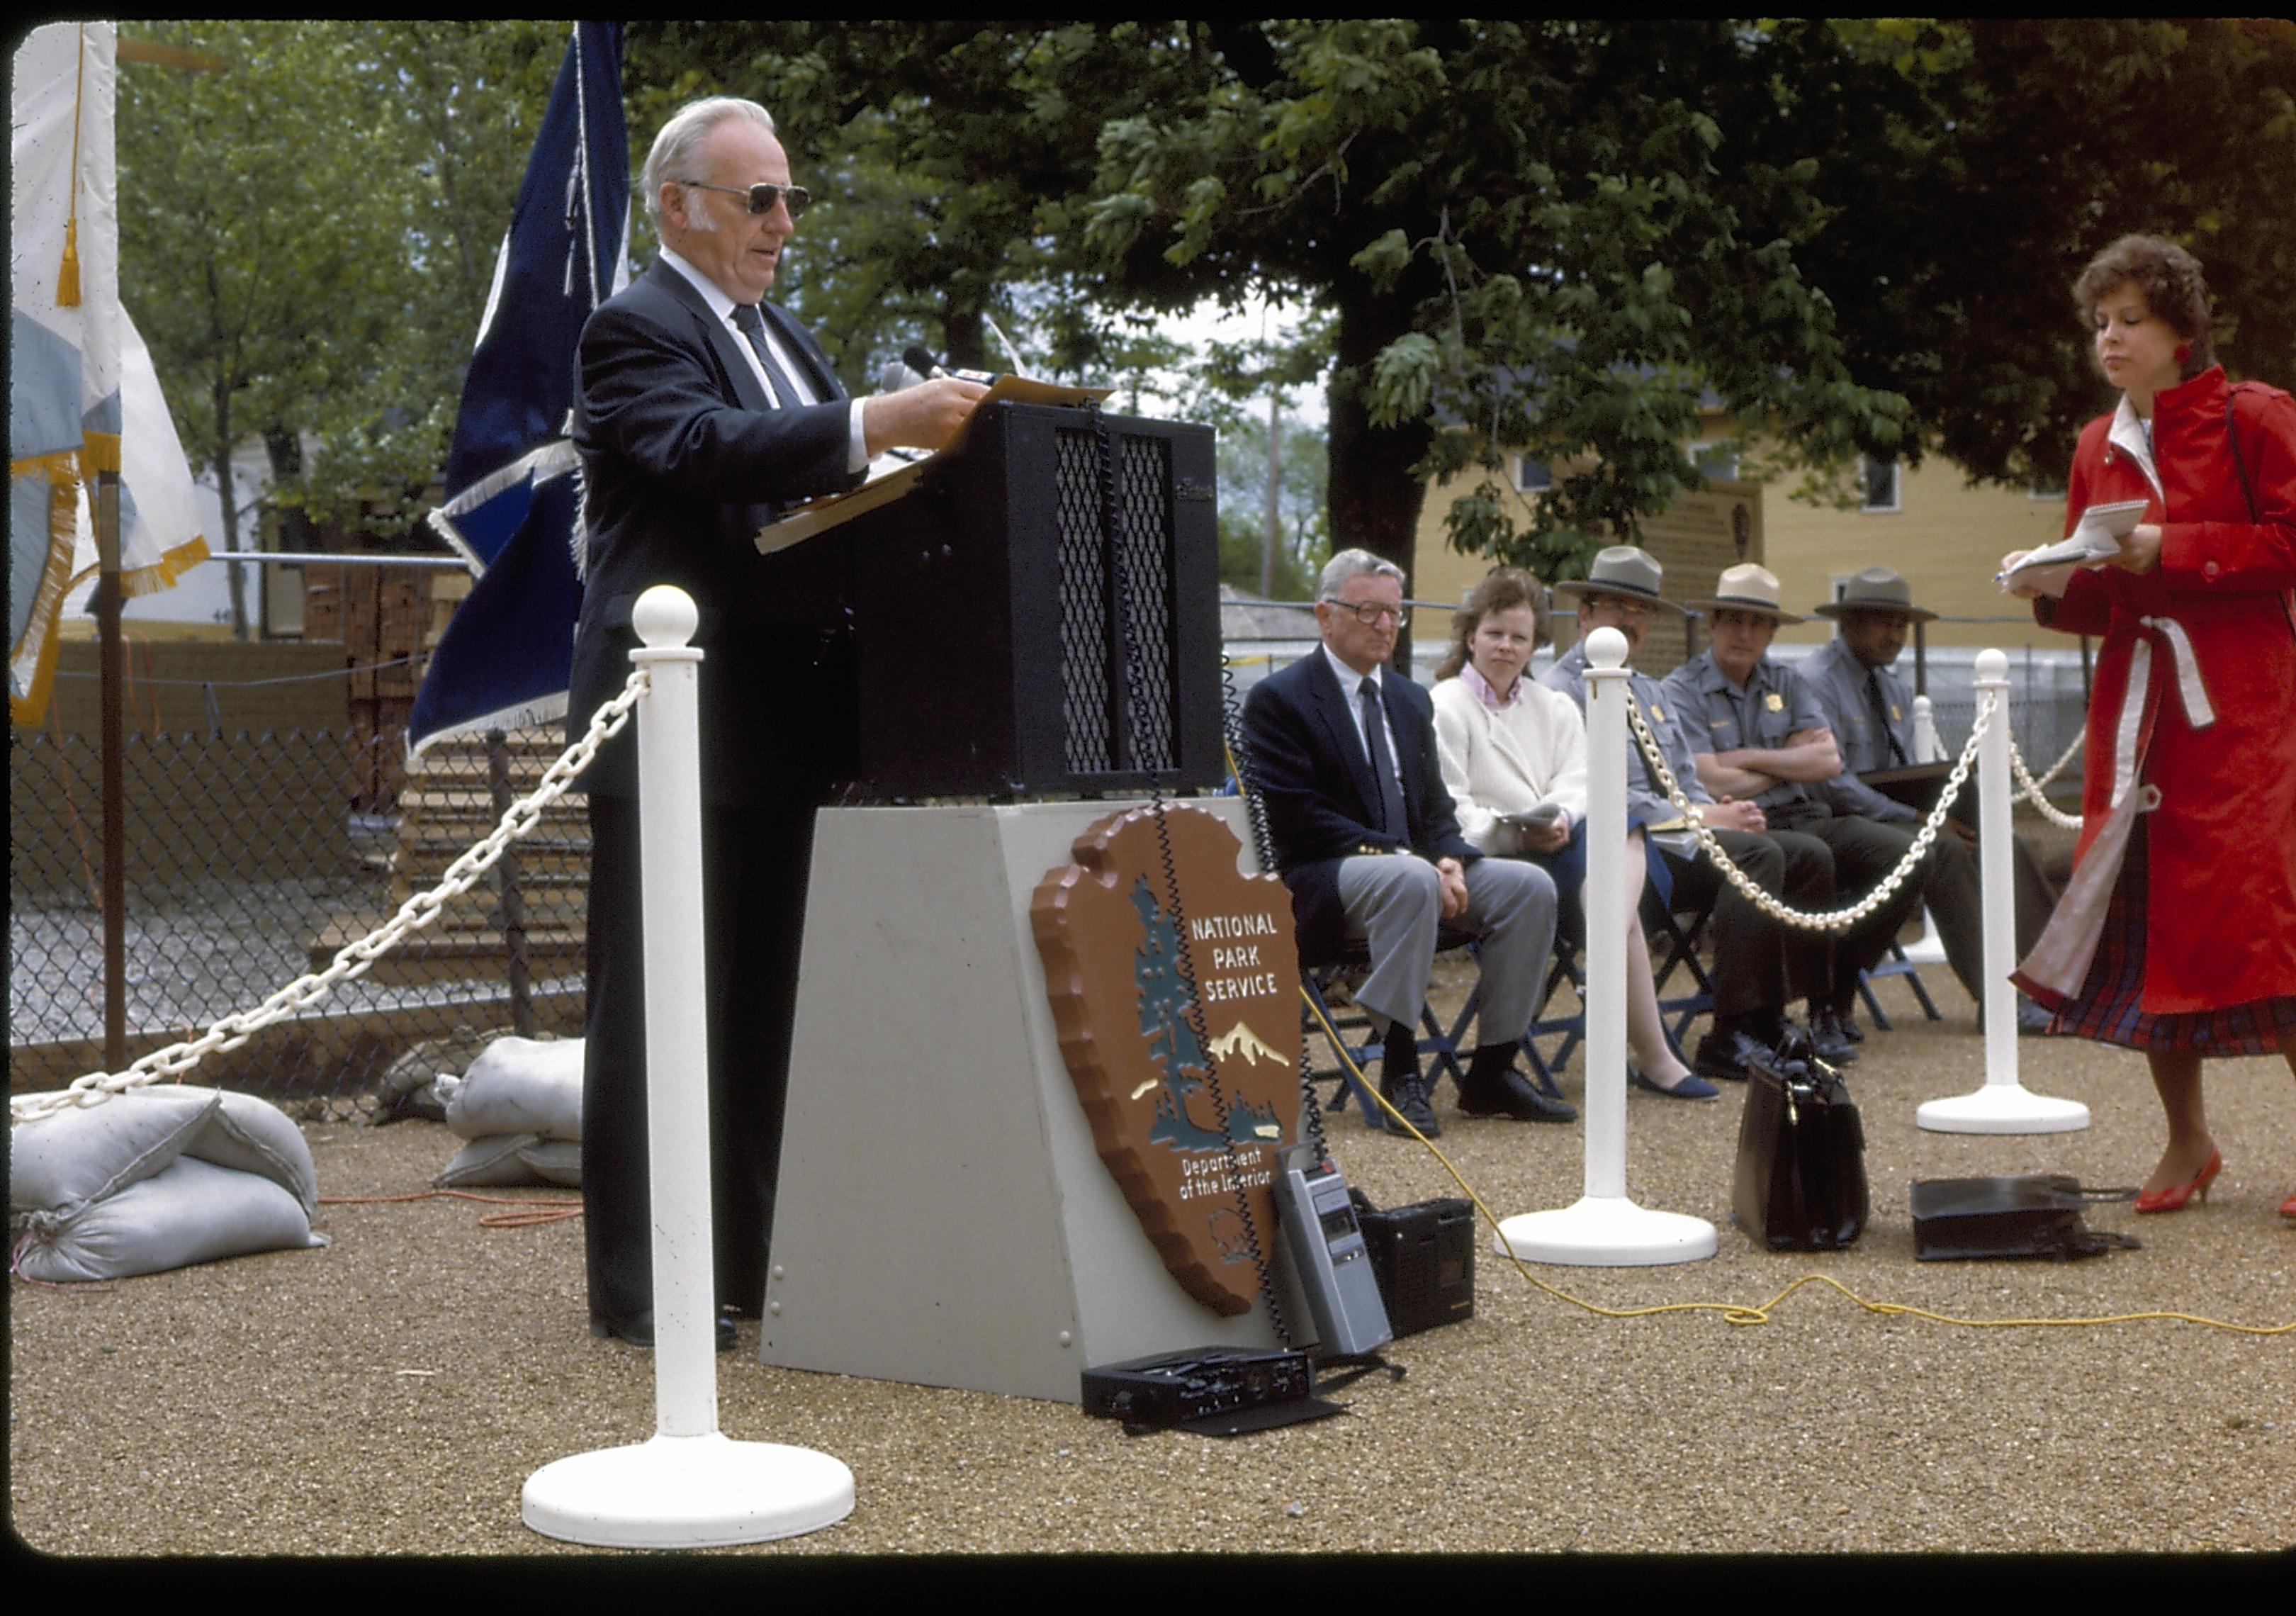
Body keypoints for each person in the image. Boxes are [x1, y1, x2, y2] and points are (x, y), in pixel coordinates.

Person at [568, 96, 988, 1345]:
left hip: (783, 721)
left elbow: (826, 483)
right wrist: (875, 424)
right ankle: (648, 1291)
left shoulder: (781, 334)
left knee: (765, 1013)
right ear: (678, 205)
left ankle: (752, 1262)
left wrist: (918, 457)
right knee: (659, 1010)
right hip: (675, 719)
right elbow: (704, 449)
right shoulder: (632, 328)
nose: (785, 223)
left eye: (792, 198)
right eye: (761, 199)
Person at [2001, 233, 2296, 1219]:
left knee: (2270, 920)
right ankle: (2187, 1136)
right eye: (2100, 323)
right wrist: (2052, 589)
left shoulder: (2254, 416)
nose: (2111, 339)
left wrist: (2174, 546)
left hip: (2246, 707)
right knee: (2148, 926)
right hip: (2140, 710)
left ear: (2180, 328)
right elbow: (2112, 593)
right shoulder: (2097, 443)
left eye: (2131, 320)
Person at [1242, 549, 1569, 1135]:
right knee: (1410, 878)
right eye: (1369, 612)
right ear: (1325, 616)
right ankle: (1400, 1070)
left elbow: (1435, 807)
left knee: (1529, 886)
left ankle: (1493, 1071)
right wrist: (1414, 861)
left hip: (1411, 875)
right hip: (1321, 881)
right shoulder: (1280, 699)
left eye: (1395, 612)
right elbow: (1299, 819)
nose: (1386, 626)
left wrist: (1448, 856)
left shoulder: (1409, 698)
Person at [1543, 546, 1838, 1084]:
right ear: (1584, 614)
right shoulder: (1558, 694)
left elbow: (1681, 773)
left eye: (1642, 611)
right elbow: (1591, 792)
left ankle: (1786, 1014)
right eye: (1615, 608)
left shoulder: (1649, 690)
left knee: (1810, 855)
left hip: (1684, 835)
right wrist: (1703, 817)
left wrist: (1715, 805)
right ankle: (1731, 1030)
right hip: (1629, 852)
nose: (1630, 621)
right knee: (1757, 856)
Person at [1432, 567, 1717, 1099]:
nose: (1506, 647)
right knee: (1616, 885)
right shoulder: (1446, 704)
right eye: (1495, 634)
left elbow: (1580, 780)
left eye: (1520, 637)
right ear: (1471, 636)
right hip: (1499, 855)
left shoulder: (1553, 705)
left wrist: (1560, 816)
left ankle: (1608, 957)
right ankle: (1655, 1057)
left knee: (1620, 833)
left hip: (1561, 845)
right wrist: (1517, 835)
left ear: (1535, 643)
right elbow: (1450, 805)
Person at [1661, 563, 1925, 1060]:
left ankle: (1836, 990)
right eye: (1734, 620)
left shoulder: (1786, 679)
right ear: (1714, 623)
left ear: (1771, 631)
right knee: (1806, 856)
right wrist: (1787, 761)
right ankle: (1780, 1013)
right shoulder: (1682, 688)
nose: (1745, 633)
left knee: (1909, 854)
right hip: (1740, 823)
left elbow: (1827, 760)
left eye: (1758, 623)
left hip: (1806, 814)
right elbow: (1708, 776)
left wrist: (1749, 758)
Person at [1802, 566, 2059, 1033]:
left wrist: (1945, 802)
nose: (1895, 634)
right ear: (1850, 622)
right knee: (1944, 850)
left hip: (1893, 812)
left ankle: (2054, 985)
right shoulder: (1816, 681)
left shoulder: (1893, 687)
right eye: (1884, 622)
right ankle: (1999, 1002)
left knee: (2004, 843)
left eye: (1902, 625)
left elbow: (1899, 774)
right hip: (1838, 819)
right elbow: (1831, 783)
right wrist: (1919, 817)